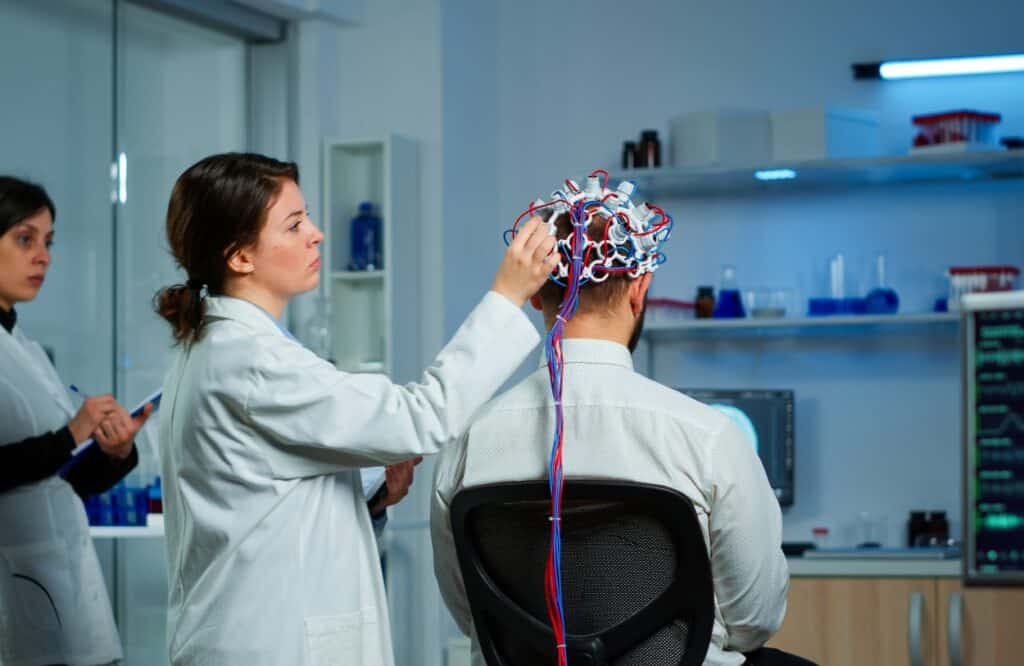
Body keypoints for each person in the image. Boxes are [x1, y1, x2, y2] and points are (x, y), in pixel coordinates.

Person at [153, 152, 557, 666]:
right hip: (268, 644)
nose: (317, 234)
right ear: (240, 256)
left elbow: (265, 494)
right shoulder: (251, 361)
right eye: (295, 225)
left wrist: (371, 493)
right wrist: (507, 295)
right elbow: (422, 417)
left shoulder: (223, 348)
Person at [431, 174, 797, 666]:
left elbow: (475, 616)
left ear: (537, 294)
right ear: (639, 290)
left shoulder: (468, 444)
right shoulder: (707, 439)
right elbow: (754, 620)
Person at [0, 176, 152, 665]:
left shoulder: (25, 348)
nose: (43, 256)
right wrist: (71, 434)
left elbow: (63, 480)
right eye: (25, 239)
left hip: (65, 584)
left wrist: (114, 451)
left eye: (48, 242)